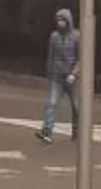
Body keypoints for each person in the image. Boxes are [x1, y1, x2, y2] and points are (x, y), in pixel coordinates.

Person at [39, 10, 79, 141]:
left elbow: (81, 58)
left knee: (76, 106)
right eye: (58, 20)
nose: (60, 22)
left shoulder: (76, 36)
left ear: (68, 21)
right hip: (57, 76)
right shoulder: (54, 36)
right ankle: (47, 131)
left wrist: (74, 73)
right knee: (51, 103)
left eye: (62, 20)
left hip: (73, 78)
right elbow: (51, 56)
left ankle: (77, 131)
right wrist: (49, 73)